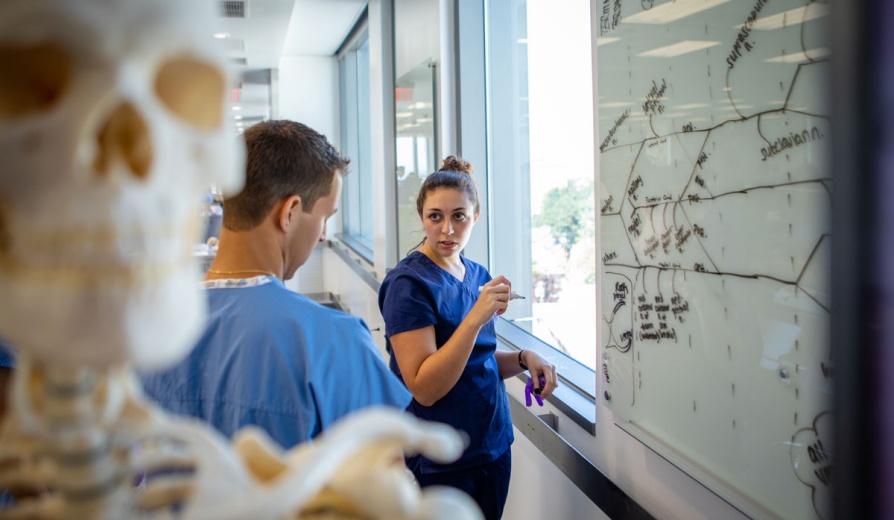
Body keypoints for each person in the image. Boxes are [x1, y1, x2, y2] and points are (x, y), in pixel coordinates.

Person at [140, 120, 411, 449]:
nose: (323, 234)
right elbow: (383, 478)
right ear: (291, 212)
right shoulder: (332, 342)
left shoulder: (151, 333)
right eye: (325, 217)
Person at [378, 155, 558, 520]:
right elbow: (425, 387)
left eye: (459, 216)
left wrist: (523, 358)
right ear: (421, 217)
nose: (447, 230)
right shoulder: (408, 284)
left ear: (475, 217)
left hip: (492, 444)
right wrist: (475, 317)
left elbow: (478, 359)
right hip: (441, 461)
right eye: (435, 217)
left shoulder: (476, 273)